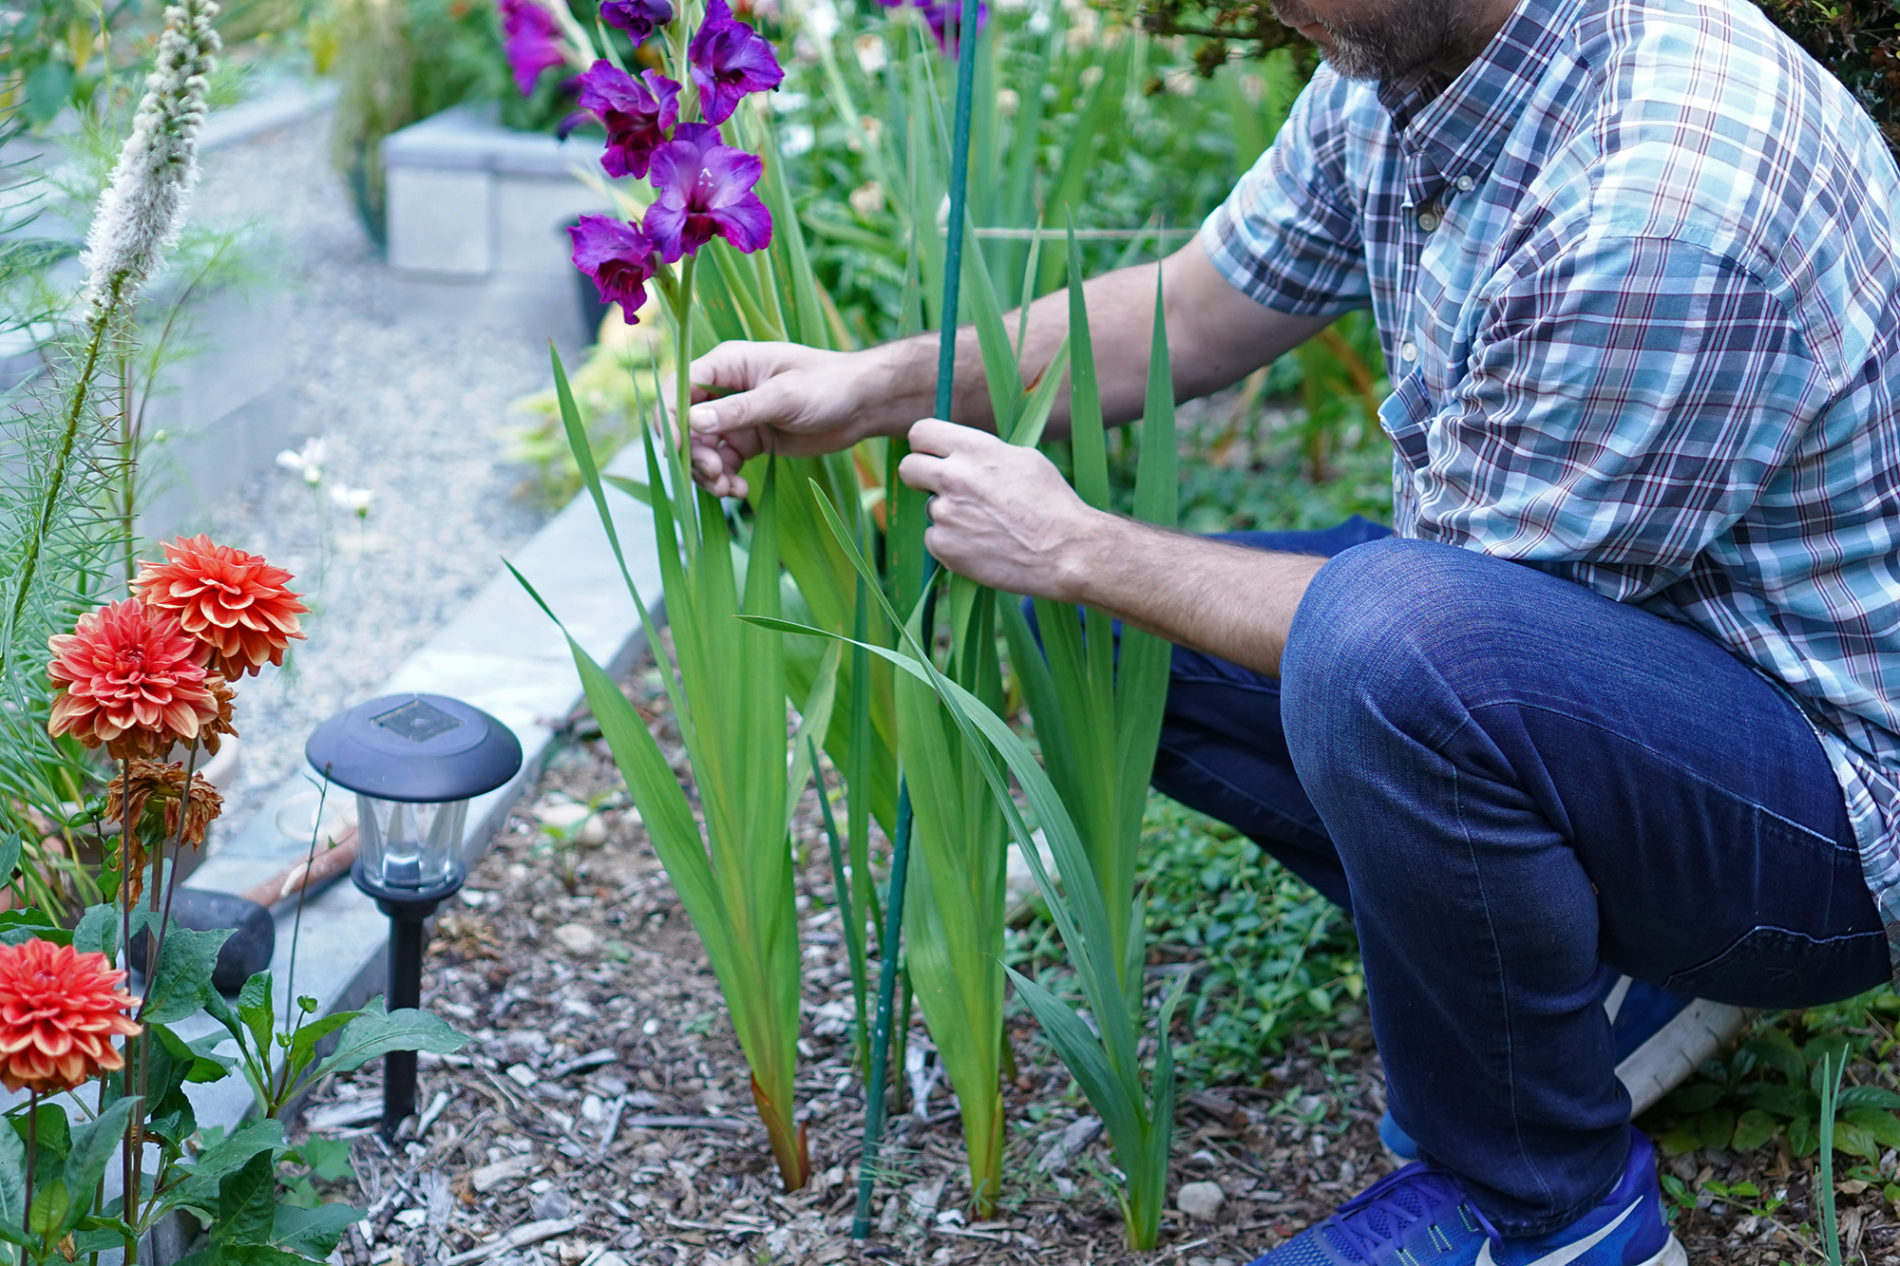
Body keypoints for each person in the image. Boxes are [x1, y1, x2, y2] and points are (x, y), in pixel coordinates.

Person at [681, 0, 1900, 1261]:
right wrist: (870, 386)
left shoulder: (1660, 198)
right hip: (1616, 670)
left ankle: (1546, 1209)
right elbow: (1193, 313)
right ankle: (1587, 988)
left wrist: (1086, 545)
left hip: (1824, 817)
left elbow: (1442, 643)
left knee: (1362, 641)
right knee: (1104, 632)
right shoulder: (1415, 61)